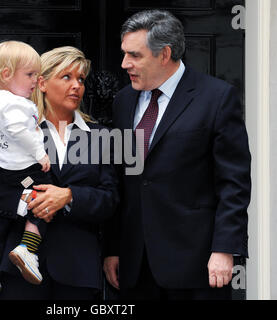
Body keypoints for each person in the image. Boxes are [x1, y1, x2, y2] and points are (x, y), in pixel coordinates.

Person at [103, 9, 251, 300]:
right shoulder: (123, 101)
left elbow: (233, 183)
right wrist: (112, 249)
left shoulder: (217, 98)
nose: (124, 64)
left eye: (134, 55)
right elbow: (120, 180)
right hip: (135, 265)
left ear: (164, 53)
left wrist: (224, 249)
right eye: (124, 54)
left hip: (196, 264)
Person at [0, 46, 119, 300]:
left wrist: (69, 197)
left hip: (77, 270)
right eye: (67, 77)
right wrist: (25, 201)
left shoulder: (101, 136)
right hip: (16, 274)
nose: (77, 86)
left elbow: (110, 198)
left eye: (81, 79)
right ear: (42, 83)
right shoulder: (18, 129)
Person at [0, 41, 54, 293]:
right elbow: (18, 131)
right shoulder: (14, 103)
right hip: (22, 172)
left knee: (0, 210)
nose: (35, 81)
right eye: (29, 75)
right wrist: (40, 153)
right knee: (41, 197)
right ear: (6, 74)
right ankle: (27, 248)